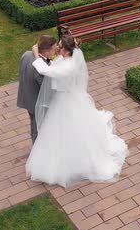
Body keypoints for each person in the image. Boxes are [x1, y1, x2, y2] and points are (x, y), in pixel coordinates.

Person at [25, 35, 129, 188]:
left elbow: (46, 70)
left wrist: (36, 54)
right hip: (62, 100)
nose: (57, 48)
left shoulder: (69, 67)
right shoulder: (65, 59)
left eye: (60, 46)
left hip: (66, 102)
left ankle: (71, 164)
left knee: (69, 132)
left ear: (67, 51)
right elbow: (53, 65)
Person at [16, 35, 58, 143]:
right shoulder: (41, 69)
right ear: (47, 52)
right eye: (54, 48)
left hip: (26, 97)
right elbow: (47, 90)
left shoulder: (26, 55)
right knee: (38, 129)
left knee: (34, 124)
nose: (57, 49)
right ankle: (37, 152)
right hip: (36, 104)